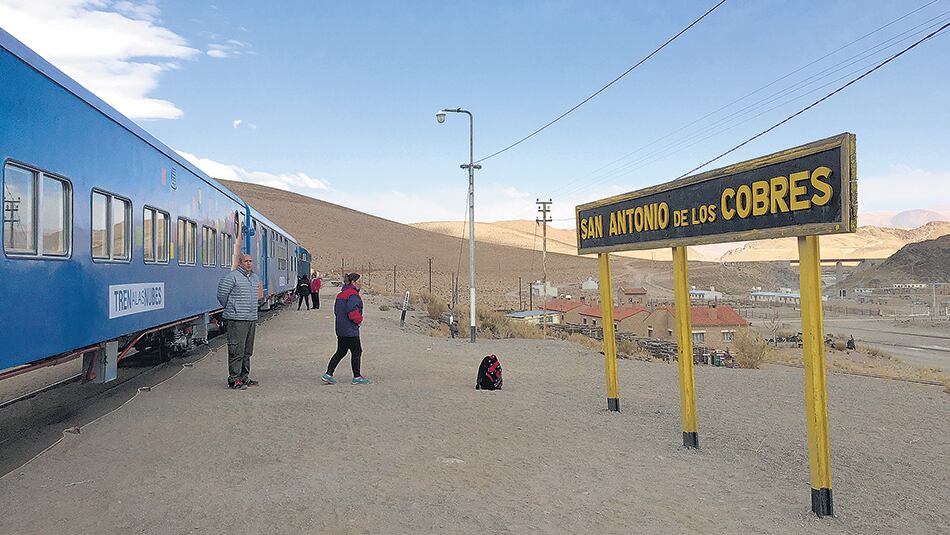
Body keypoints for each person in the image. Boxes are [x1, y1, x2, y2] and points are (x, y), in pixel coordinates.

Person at [217, 254, 263, 389]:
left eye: (250, 261)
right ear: (240, 263)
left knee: (247, 350)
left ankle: (244, 377)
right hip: (237, 320)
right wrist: (232, 308)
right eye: (246, 261)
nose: (249, 263)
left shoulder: (254, 278)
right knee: (236, 349)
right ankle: (234, 379)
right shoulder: (231, 277)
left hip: (251, 318)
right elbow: (222, 295)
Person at [321, 273, 369, 385]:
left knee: (341, 352)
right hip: (350, 330)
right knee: (357, 351)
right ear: (353, 282)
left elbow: (336, 311)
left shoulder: (340, 295)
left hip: (341, 329)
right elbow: (352, 311)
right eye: (359, 281)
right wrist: (359, 320)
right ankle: (357, 377)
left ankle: (328, 374)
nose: (361, 284)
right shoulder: (353, 295)